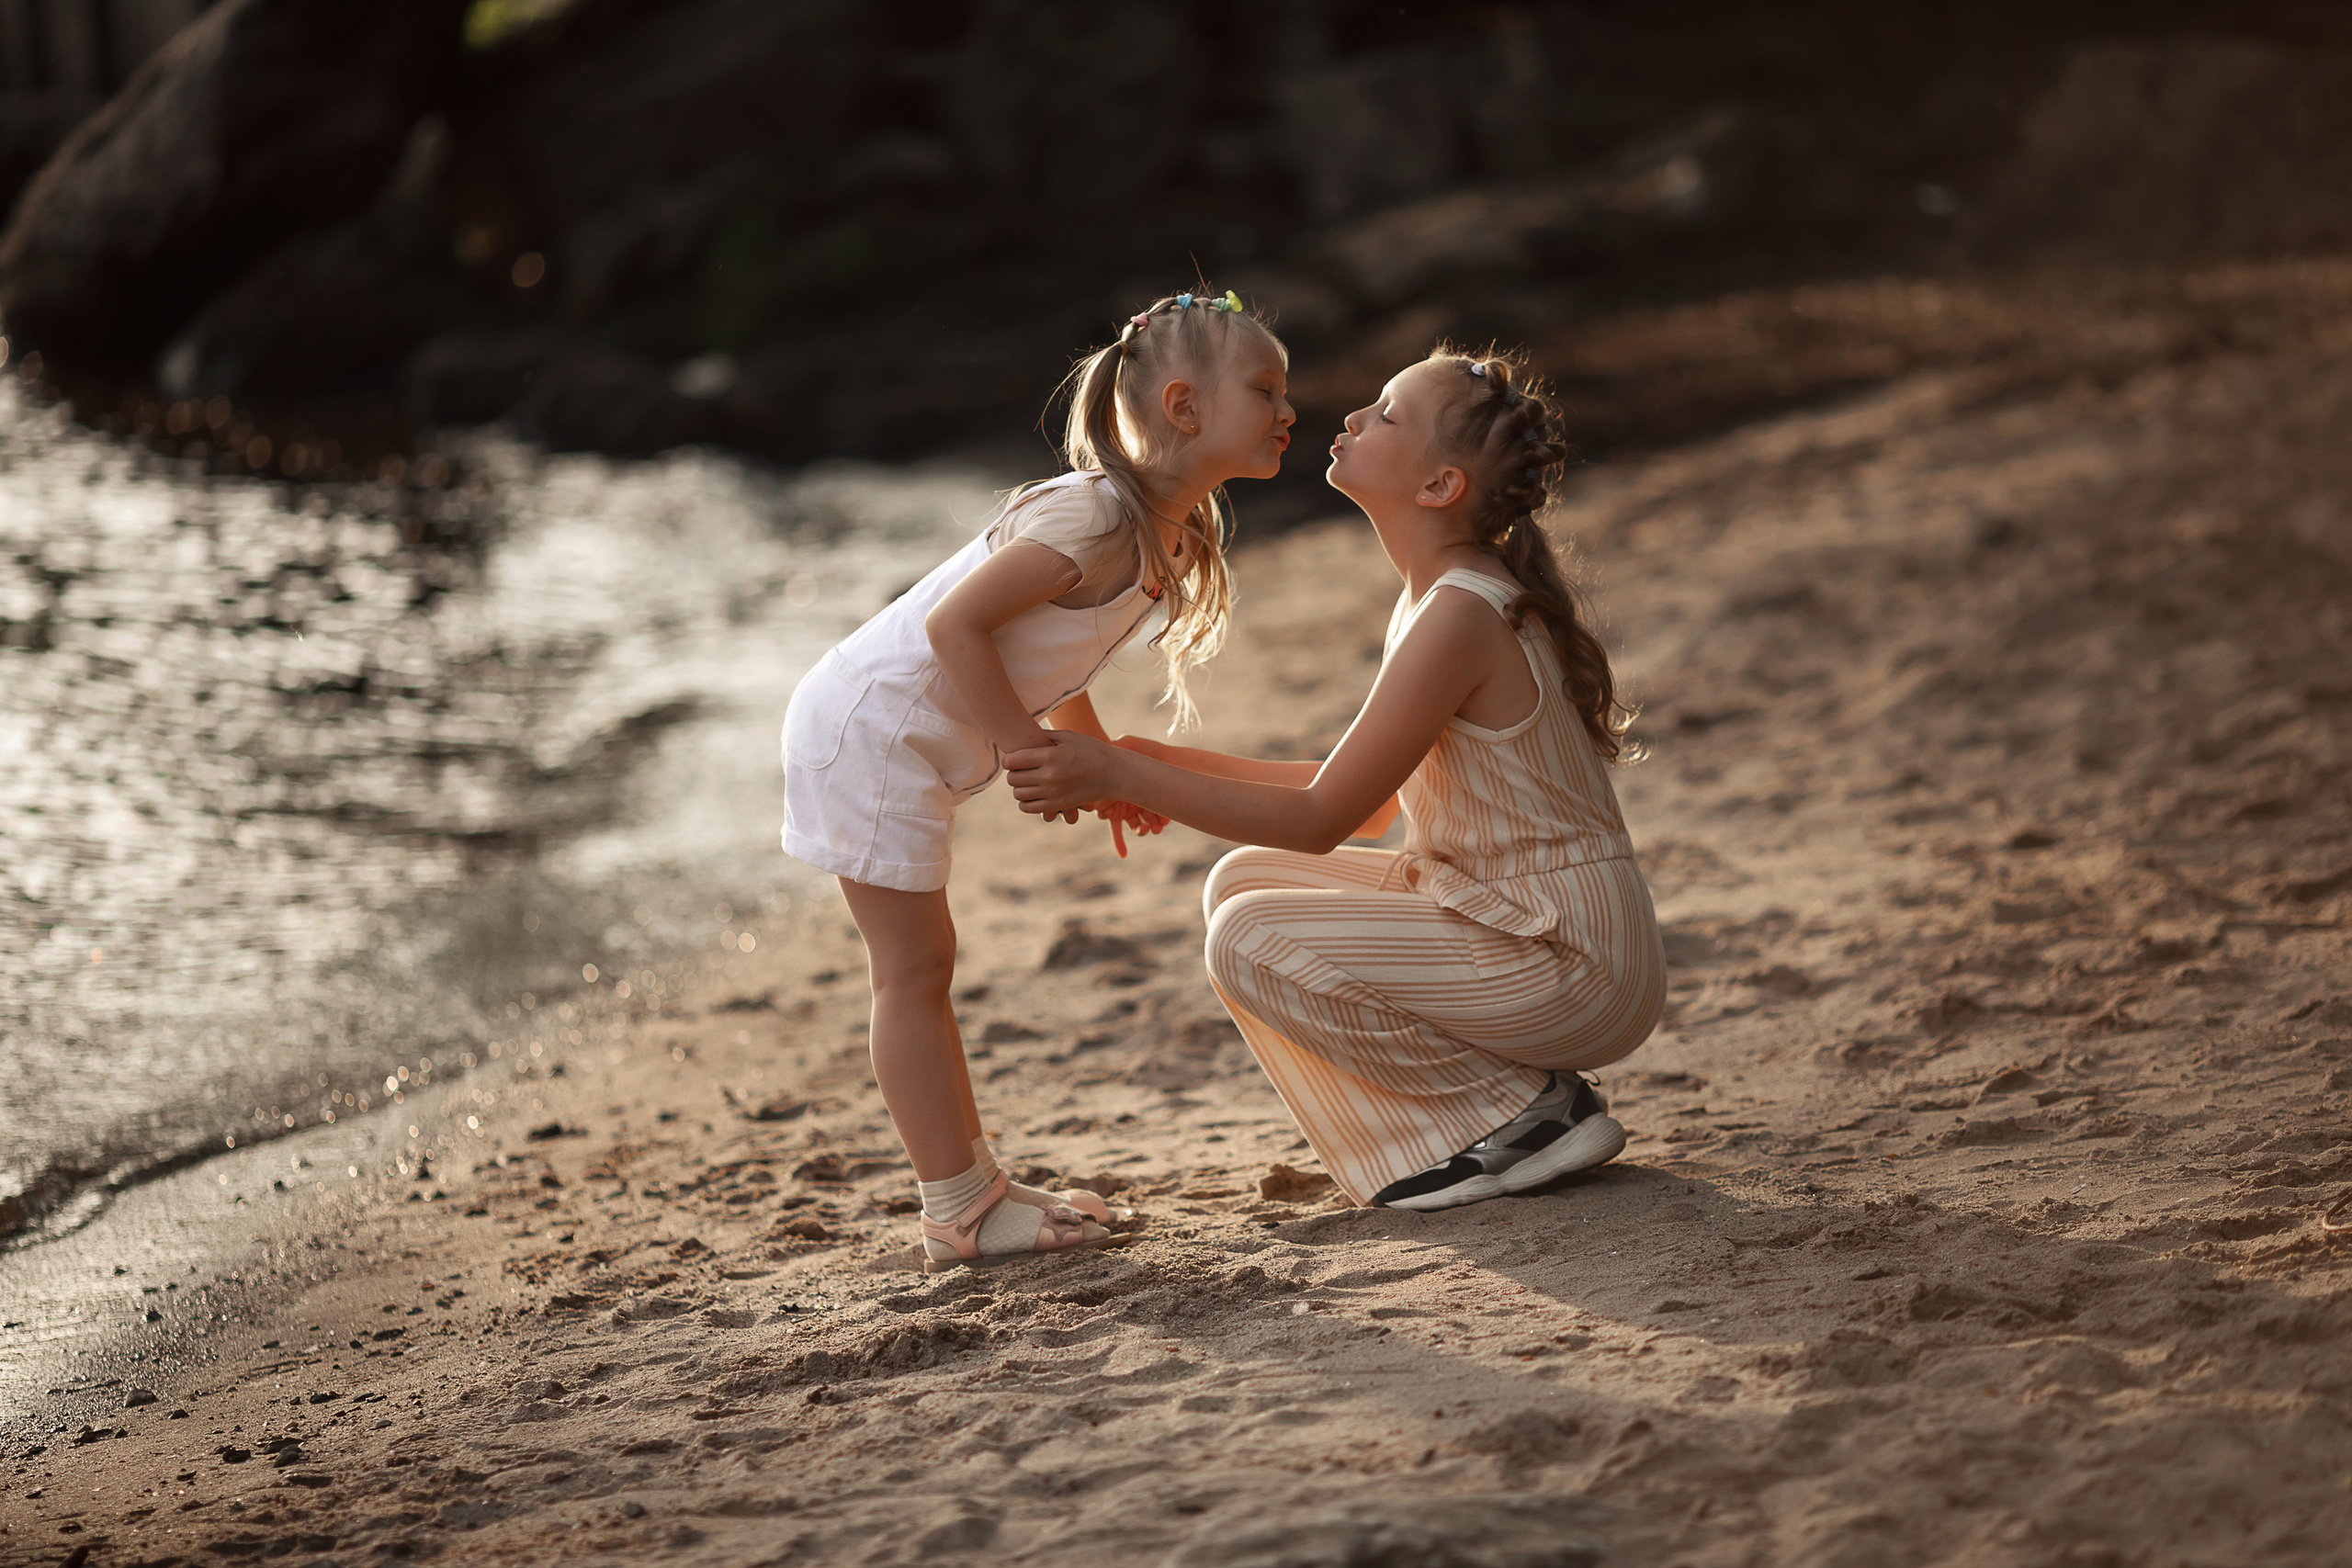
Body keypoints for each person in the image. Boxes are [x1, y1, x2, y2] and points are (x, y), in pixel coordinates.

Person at [1005, 346, 1664, 1212]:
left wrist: (1113, 766)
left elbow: (1322, 815)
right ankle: (1510, 1106)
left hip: (1571, 960)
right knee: (1243, 879)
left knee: (1249, 935)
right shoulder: (1437, 597)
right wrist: (1157, 761)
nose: (1354, 418)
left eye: (1388, 414)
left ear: (1438, 487)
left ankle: (1517, 1116)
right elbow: (1370, 798)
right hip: (1514, 919)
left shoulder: (1462, 611)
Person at [780, 289, 1295, 1269]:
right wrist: (1027, 754)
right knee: (914, 969)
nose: (1288, 408)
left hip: (909, 734)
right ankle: (959, 1209)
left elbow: (1054, 655)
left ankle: (974, 1190)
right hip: (869, 729)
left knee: (923, 965)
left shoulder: (1160, 531)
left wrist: (1093, 763)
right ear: (1184, 410)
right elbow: (952, 627)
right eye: (1266, 389)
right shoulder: (1099, 513)